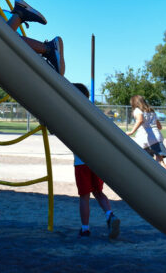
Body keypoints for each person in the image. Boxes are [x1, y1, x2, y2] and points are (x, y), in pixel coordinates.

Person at [72, 83, 120, 239]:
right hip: (96, 159)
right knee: (99, 192)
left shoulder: (70, 112)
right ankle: (109, 214)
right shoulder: (93, 112)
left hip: (81, 161)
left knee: (84, 196)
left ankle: (85, 228)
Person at [127, 95, 166, 171]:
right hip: (157, 138)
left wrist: (131, 131)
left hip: (145, 139)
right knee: (160, 162)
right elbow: (159, 126)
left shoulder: (137, 110)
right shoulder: (151, 111)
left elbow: (140, 120)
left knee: (141, 160)